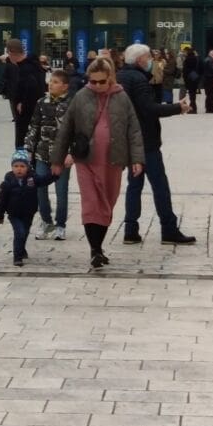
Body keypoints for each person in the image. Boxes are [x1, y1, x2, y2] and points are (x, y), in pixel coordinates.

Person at [51, 58, 145, 269]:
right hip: (87, 159)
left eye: (102, 81)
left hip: (113, 160)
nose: (97, 85)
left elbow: (134, 129)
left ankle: (98, 247)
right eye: (93, 81)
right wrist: (57, 159)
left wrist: (137, 159)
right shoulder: (82, 96)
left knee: (107, 203)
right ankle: (95, 249)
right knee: (91, 204)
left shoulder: (122, 97)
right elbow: (66, 129)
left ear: (110, 78)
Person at [117, 44, 197, 245]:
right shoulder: (139, 79)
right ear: (139, 60)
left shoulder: (121, 76)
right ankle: (169, 229)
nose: (150, 60)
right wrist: (178, 108)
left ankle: (130, 230)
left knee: (134, 185)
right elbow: (149, 109)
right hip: (146, 140)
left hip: (129, 138)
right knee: (160, 185)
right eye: (148, 57)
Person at [25, 68, 72, 241]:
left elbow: (76, 131)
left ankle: (61, 225)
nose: (51, 84)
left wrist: (71, 153)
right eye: (51, 81)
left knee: (61, 191)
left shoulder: (71, 104)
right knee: (40, 188)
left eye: (56, 82)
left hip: (61, 156)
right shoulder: (41, 102)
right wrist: (29, 149)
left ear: (65, 86)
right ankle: (46, 221)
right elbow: (34, 126)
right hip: (42, 153)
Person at [0, 149, 58, 266]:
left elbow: (44, 180)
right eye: (16, 166)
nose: (19, 169)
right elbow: (1, 200)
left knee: (25, 232)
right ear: (12, 167)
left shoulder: (32, 178)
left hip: (28, 212)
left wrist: (54, 174)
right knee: (19, 232)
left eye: (22, 166)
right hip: (14, 214)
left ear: (27, 167)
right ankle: (17, 257)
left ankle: (21, 249)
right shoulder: (7, 182)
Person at [5, 38, 47, 148]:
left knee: (24, 141)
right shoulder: (32, 64)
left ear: (11, 52)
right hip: (33, 113)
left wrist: (23, 103)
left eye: (8, 53)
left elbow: (32, 88)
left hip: (27, 115)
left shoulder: (26, 69)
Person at [202, 49, 213, 114]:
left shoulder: (206, 59)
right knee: (212, 94)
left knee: (208, 94)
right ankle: (211, 108)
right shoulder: (210, 60)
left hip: (206, 79)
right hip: (210, 80)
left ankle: (208, 108)